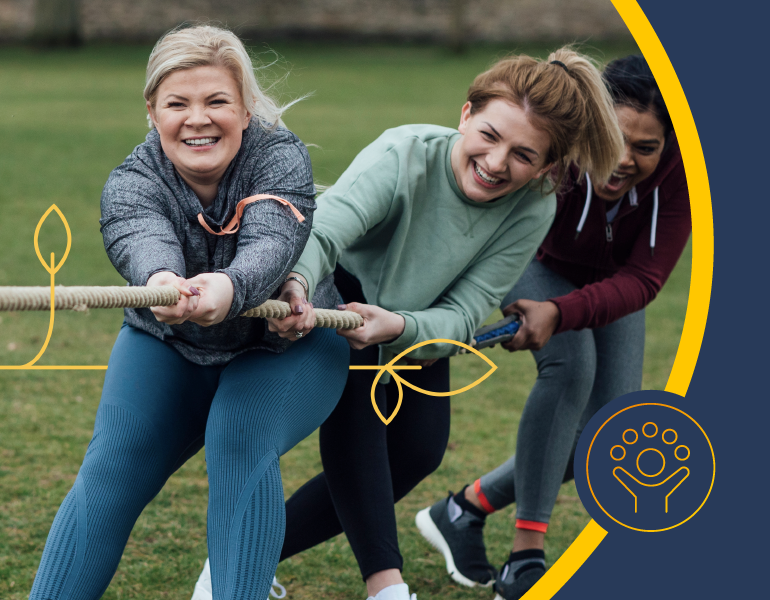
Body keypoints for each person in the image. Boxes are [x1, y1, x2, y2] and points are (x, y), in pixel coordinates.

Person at [192, 47, 625, 600]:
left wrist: (397, 326)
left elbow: (467, 312)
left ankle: (238, 556)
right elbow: (322, 235)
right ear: (466, 115)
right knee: (363, 414)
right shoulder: (404, 152)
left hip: (414, 325)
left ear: (545, 168)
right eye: (489, 135)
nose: (496, 162)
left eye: (522, 155)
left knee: (418, 452)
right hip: (338, 295)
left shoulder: (534, 208)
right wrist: (297, 286)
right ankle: (386, 586)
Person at [28, 25, 349, 600]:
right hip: (167, 345)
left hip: (284, 348)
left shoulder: (281, 157)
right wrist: (161, 281)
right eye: (178, 103)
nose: (197, 118)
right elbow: (138, 235)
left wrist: (232, 286)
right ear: (152, 113)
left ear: (246, 109)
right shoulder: (132, 180)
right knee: (109, 473)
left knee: (240, 432)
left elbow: (274, 239)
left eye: (216, 101)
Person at [416, 55, 691, 600]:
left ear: (671, 147)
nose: (622, 159)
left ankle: (464, 509)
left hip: (610, 285)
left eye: (646, 146)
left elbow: (645, 277)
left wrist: (565, 312)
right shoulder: (558, 149)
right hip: (533, 258)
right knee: (571, 368)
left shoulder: (682, 176)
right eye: (614, 137)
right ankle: (526, 558)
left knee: (611, 435)